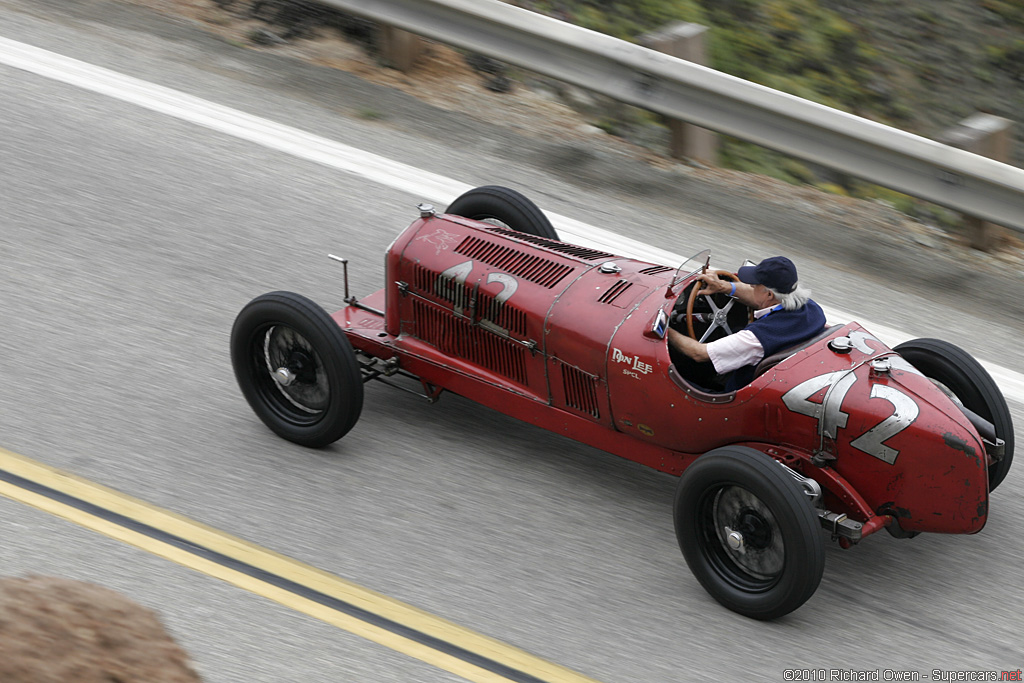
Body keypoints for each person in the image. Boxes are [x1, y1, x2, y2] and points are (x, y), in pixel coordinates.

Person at [667, 256, 826, 390]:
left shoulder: (756, 339)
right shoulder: (812, 309)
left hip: (734, 394)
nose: (750, 286)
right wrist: (724, 286)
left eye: (755, 285)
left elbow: (699, 353)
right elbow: (758, 297)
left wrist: (667, 328)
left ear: (769, 294)